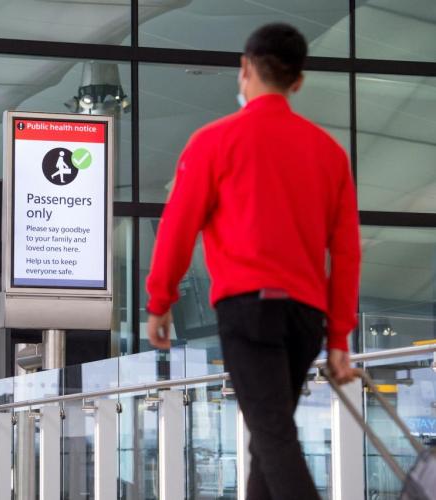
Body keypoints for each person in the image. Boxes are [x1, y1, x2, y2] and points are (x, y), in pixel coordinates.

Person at [145, 23, 361, 500]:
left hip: (249, 312)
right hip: (304, 318)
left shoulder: (214, 141)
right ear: (298, 81)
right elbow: (347, 251)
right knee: (267, 437)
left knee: (274, 436)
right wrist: (339, 336)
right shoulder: (329, 153)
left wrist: (160, 301)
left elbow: (177, 227)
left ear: (244, 69)